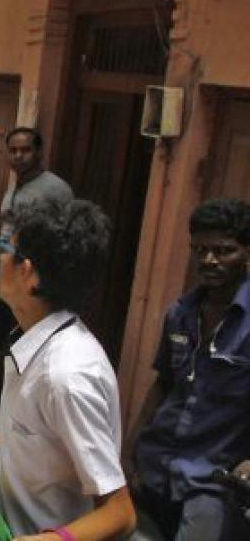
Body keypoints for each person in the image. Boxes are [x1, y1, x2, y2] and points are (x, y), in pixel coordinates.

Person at [0, 199, 136, 541]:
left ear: (27, 272)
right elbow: (42, 442)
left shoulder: (67, 376)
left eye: (5, 249)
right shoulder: (31, 339)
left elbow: (120, 513)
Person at [131, 198, 250, 541]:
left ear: (247, 252)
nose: (208, 260)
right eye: (200, 250)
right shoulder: (180, 313)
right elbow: (163, 384)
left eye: (222, 251)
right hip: (155, 466)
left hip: (211, 481)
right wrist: (132, 448)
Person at [0, 127, 74, 427]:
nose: (19, 156)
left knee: (21, 345)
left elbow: (64, 237)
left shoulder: (55, 190)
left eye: (26, 150)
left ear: (39, 152)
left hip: (29, 283)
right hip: (4, 279)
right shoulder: (14, 188)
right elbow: (3, 232)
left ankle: (15, 414)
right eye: (13, 150)